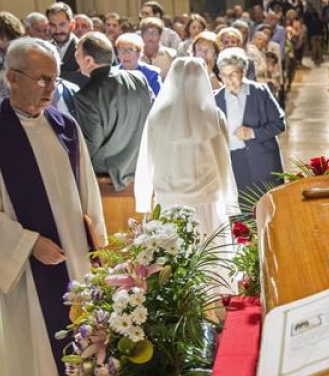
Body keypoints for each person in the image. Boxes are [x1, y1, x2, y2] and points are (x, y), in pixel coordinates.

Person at [0, 38, 106, 376]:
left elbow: (87, 198)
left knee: (82, 336)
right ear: (11, 78)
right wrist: (28, 244)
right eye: (42, 79)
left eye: (55, 80)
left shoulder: (66, 127)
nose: (50, 89)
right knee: (38, 347)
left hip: (75, 263)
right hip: (28, 272)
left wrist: (98, 248)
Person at [134, 57, 239, 242]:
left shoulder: (158, 117)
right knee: (209, 254)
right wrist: (229, 198)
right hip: (207, 197)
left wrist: (144, 199)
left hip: (170, 197)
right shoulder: (214, 116)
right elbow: (224, 159)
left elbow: (146, 160)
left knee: (172, 257)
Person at [72, 32, 154, 191]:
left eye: (78, 56)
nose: (77, 61)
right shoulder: (138, 78)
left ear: (88, 60)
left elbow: (90, 144)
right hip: (142, 167)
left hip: (108, 177)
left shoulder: (86, 95)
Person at [213, 48, 285, 207]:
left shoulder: (260, 92)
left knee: (268, 208)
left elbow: (279, 123)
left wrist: (253, 133)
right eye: (223, 75)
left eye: (233, 74)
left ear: (243, 71)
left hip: (263, 160)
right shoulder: (216, 99)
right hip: (234, 163)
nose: (228, 80)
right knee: (243, 212)